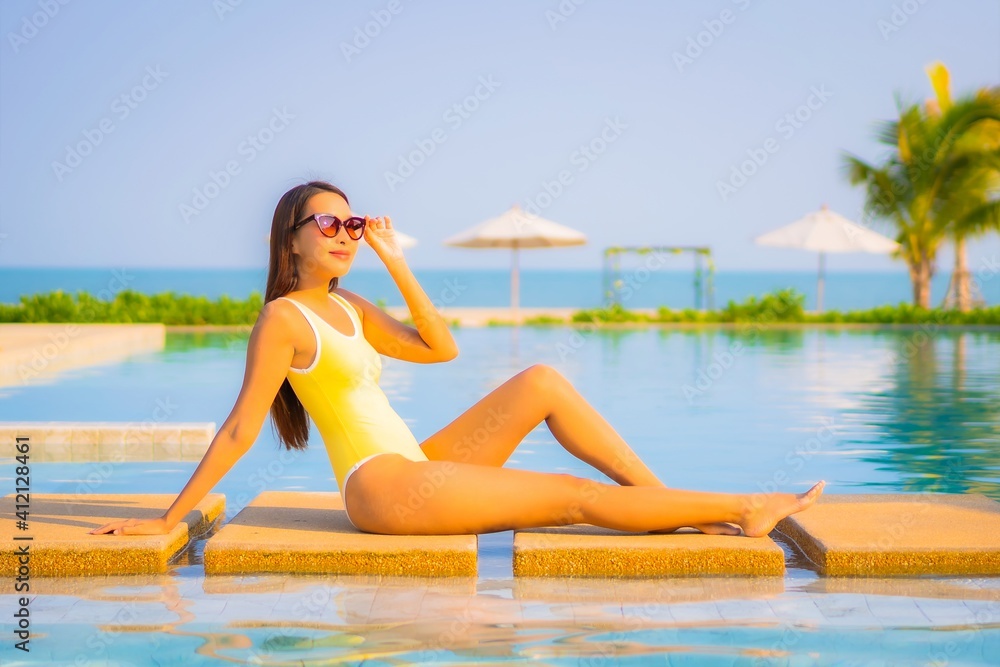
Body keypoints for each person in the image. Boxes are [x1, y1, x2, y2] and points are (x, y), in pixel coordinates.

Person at [90, 180, 824, 538]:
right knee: (570, 494)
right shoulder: (283, 317)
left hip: (414, 461)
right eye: (328, 222)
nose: (344, 231)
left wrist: (396, 259)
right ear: (290, 239)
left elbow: (442, 348)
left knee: (541, 380)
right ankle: (739, 507)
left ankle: (668, 506)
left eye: (351, 221)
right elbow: (239, 431)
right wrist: (168, 520)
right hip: (380, 487)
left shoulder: (350, 307)